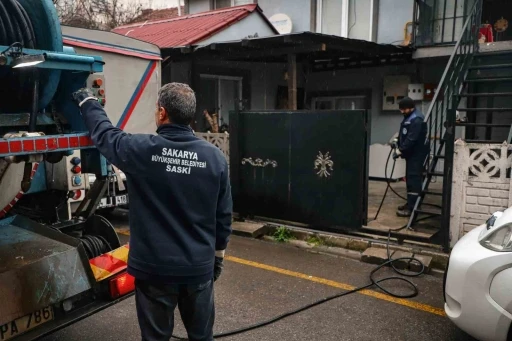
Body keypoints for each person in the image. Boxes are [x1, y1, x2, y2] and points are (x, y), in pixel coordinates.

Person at [72, 83, 233, 341]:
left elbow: (105, 134)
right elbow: (223, 217)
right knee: (202, 337)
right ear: (191, 115)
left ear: (162, 112)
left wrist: (88, 102)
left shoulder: (141, 150)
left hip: (154, 270)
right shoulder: (214, 158)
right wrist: (217, 258)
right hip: (198, 269)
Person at [393, 97, 428, 218]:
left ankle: (413, 208)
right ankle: (410, 203)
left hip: (416, 154)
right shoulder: (409, 117)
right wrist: (398, 140)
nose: (402, 111)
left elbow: (412, 138)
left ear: (411, 107)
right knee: (409, 179)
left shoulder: (416, 119)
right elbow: (405, 132)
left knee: (413, 180)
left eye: (403, 109)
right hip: (411, 154)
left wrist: (400, 150)